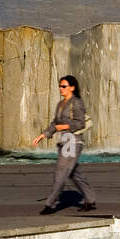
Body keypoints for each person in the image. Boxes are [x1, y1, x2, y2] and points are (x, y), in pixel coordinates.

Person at [32, 75, 97, 215]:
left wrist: (65, 126)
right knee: (73, 173)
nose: (61, 89)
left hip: (73, 141)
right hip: (65, 140)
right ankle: (90, 200)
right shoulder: (61, 104)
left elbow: (80, 123)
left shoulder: (77, 103)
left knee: (60, 172)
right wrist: (43, 135)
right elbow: (55, 123)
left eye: (64, 86)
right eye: (60, 86)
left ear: (72, 88)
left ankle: (50, 204)